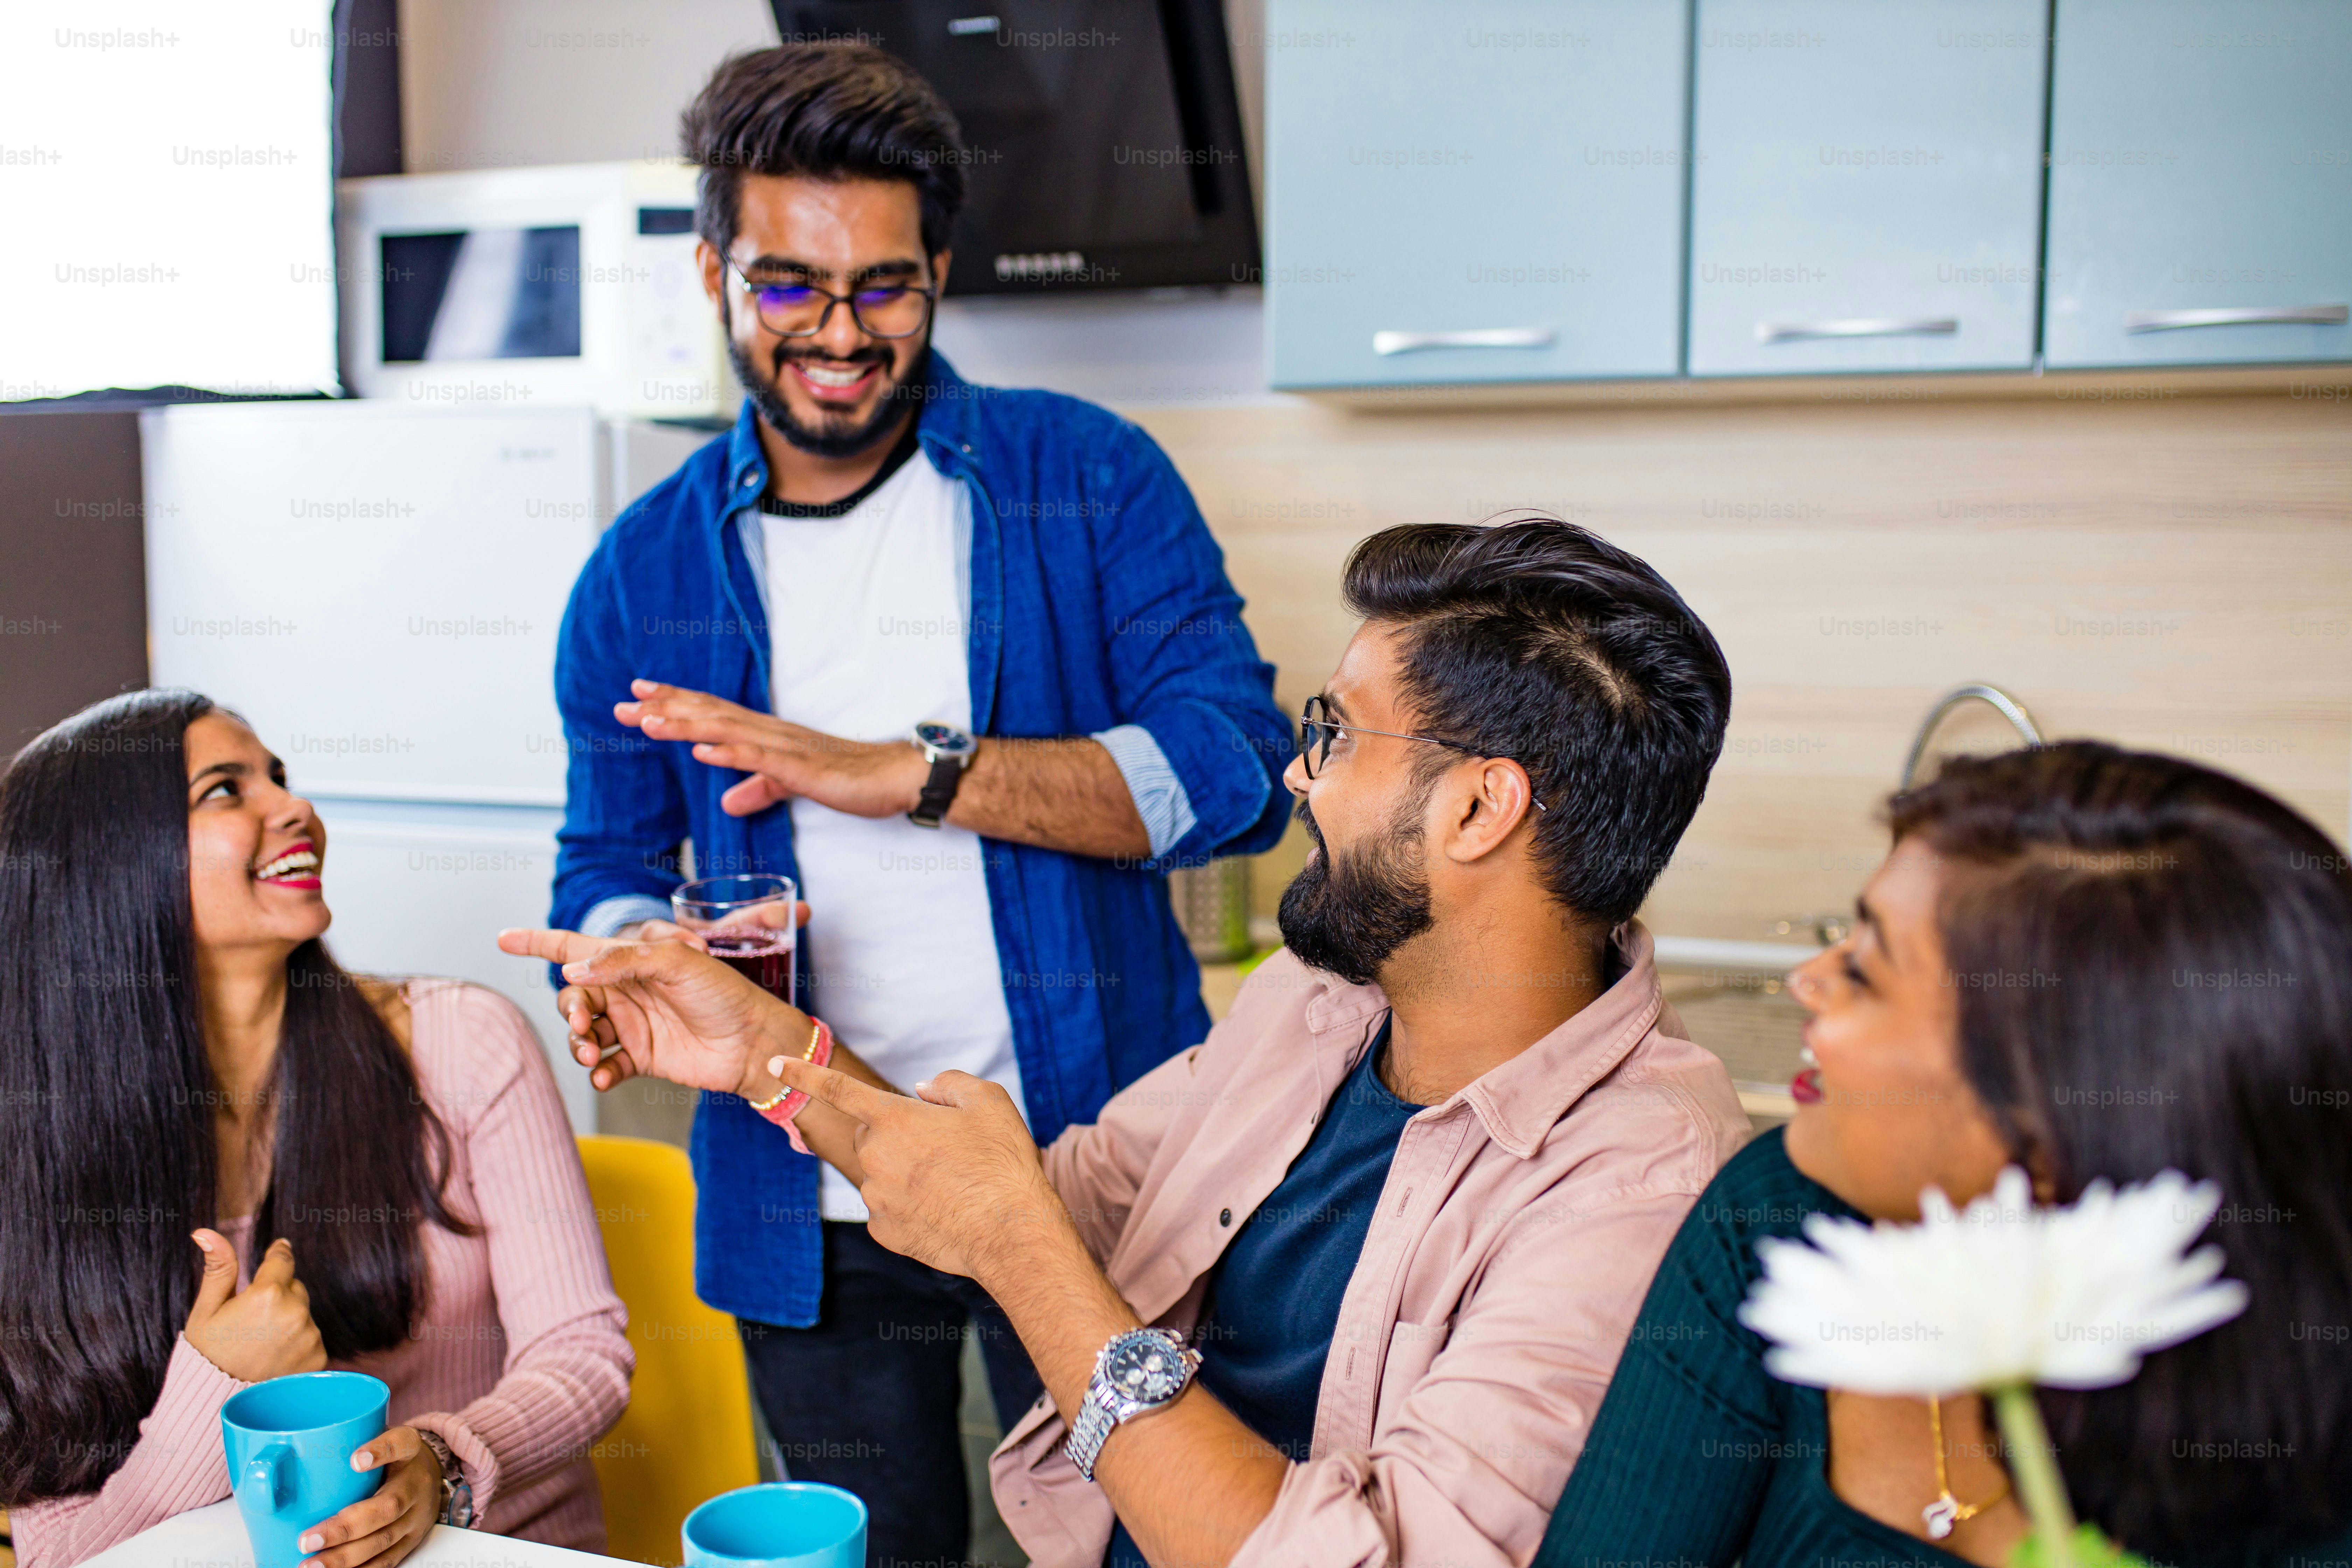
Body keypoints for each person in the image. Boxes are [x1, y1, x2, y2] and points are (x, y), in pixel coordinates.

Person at [511, 518, 1753, 1568]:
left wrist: (1018, 1246)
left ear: (1479, 807)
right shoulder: (1318, 1003)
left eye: (1338, 733)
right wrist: (775, 1056)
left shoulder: (1642, 1184)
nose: (1301, 777)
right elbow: (1055, 1202)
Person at [548, 41, 1290, 1558]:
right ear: (714, 276)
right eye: (787, 286)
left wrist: (914, 776)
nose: (838, 332)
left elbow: (1241, 771)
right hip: (804, 1192)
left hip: (1092, 1172)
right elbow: (607, 862)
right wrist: (630, 958)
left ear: (940, 270)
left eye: (884, 286)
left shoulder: (1088, 480)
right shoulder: (638, 571)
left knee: (1146, 1541)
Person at [1531, 741, 2352, 1566]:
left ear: (2050, 1118)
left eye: (1866, 969)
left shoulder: (2304, 1473)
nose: (1807, 980)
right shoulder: (1776, 1216)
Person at [0, 692, 632, 1568]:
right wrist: (213, 1383)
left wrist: (444, 1464)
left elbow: (584, 1350)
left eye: (280, 777)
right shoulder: (32, 1151)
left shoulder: (461, 1039)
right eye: (226, 790)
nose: (294, 807)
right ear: (106, 865)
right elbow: (58, 1554)